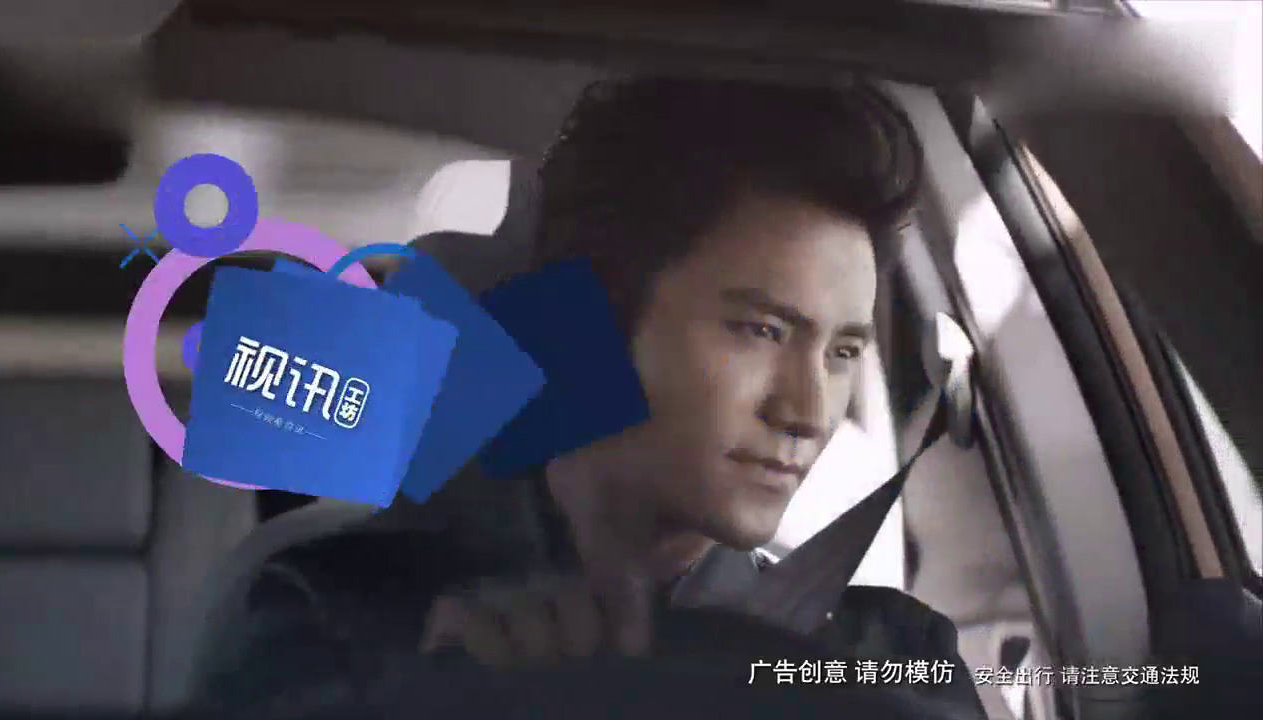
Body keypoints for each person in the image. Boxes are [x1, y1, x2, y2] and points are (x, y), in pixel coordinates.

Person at [195, 77, 987, 717]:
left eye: (843, 352)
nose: (808, 412)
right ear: (600, 319)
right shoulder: (342, 618)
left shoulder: (888, 657)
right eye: (761, 331)